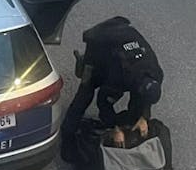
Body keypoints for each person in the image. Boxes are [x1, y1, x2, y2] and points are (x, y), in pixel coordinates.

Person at [60, 17, 163, 158]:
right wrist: (114, 128)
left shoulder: (156, 72)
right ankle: (67, 137)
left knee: (138, 106)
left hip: (123, 35)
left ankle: (130, 126)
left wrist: (143, 117)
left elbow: (145, 99)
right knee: (86, 92)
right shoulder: (120, 78)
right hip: (99, 41)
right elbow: (103, 102)